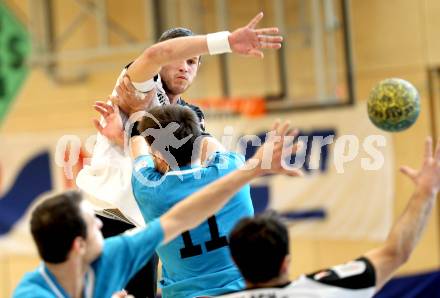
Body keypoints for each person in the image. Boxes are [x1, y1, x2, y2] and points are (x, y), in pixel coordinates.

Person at [76, 12, 282, 297]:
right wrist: (227, 41)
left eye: (193, 62)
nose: (186, 67)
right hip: (111, 216)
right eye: (182, 57)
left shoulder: (189, 115)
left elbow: (187, 164)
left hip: (153, 222)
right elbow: (156, 53)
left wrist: (124, 134)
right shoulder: (141, 85)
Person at [14, 120, 303, 298]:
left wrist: (252, 170)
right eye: (94, 222)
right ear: (78, 245)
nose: (102, 224)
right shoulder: (33, 293)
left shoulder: (117, 250)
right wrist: (250, 168)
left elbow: (182, 216)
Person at [216, 137, 440, 298]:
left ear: (236, 262)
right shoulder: (327, 290)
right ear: (286, 262)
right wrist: (426, 191)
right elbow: (396, 252)